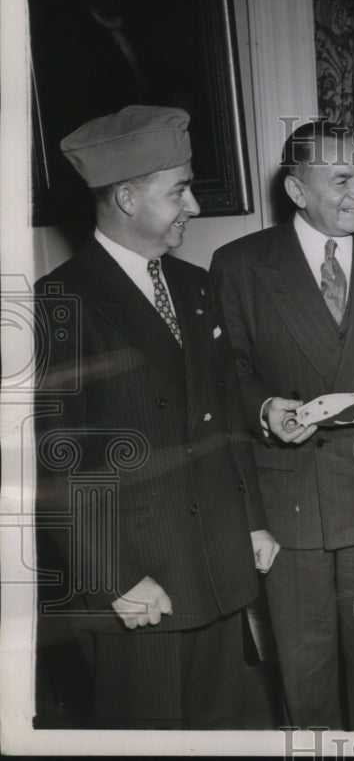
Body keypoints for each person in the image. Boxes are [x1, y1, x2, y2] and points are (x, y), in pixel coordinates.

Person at [34, 105, 279, 729]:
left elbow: (223, 418)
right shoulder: (59, 301)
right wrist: (112, 578)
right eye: (179, 191)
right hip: (139, 579)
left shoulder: (195, 285)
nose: (193, 205)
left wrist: (250, 521)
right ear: (125, 197)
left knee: (221, 726)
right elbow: (54, 459)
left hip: (218, 563)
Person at [209, 121, 354, 730]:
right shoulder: (241, 264)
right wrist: (264, 410)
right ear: (298, 191)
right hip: (287, 492)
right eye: (341, 180)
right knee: (303, 666)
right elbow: (230, 372)